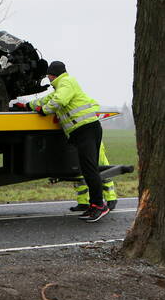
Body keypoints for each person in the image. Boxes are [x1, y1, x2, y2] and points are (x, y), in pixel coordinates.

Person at [15, 61, 110, 222]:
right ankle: (94, 205)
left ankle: (100, 206)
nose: (48, 79)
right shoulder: (62, 86)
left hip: (87, 129)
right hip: (82, 131)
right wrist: (27, 105)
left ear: (53, 74)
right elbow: (48, 99)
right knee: (87, 169)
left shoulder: (67, 82)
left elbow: (58, 101)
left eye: (48, 76)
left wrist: (43, 111)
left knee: (90, 169)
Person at [69, 143, 117, 212]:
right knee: (79, 167)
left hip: (92, 138)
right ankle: (83, 202)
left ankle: (111, 198)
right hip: (77, 138)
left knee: (103, 167)